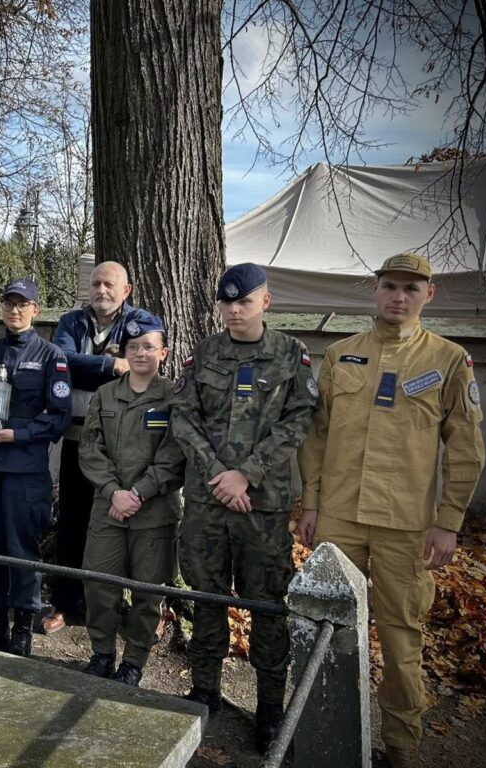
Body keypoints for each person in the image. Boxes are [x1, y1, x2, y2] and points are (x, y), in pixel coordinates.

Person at [297, 253, 485, 768]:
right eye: (389, 286)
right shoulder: (342, 355)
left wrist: (448, 522)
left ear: (429, 294)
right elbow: (316, 437)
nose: (398, 296)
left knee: (402, 638)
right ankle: (326, 732)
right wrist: (310, 503)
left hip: (406, 526)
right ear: (374, 290)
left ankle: (403, 747)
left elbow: (467, 449)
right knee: (327, 627)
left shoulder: (447, 360)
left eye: (410, 288)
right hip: (339, 516)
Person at [170, 262, 316, 753]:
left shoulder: (290, 354)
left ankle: (270, 707)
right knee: (206, 597)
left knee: (266, 605)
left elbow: (298, 421)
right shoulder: (206, 352)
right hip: (209, 502)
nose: (235, 310)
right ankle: (205, 690)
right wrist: (218, 474)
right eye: (228, 302)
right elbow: (183, 418)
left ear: (265, 303)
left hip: (261, 505)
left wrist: (245, 474)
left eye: (245, 302)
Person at [0, 278, 72, 657]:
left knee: (22, 548)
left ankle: (23, 626)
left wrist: (18, 433)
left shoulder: (50, 356)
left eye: (21, 304)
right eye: (8, 303)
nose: (14, 310)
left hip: (23, 469)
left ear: (35, 310)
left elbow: (58, 417)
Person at [45, 261, 154, 634]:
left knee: (119, 523)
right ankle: (65, 602)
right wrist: (111, 365)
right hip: (76, 442)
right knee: (72, 522)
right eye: (95, 284)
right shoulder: (70, 323)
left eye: (109, 284)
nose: (101, 291)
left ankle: (115, 605)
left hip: (121, 447)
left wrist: (94, 366)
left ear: (127, 290)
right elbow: (61, 361)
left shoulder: (140, 321)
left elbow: (142, 363)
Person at [78, 314, 184, 686]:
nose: (140, 353)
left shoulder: (173, 397)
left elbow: (174, 455)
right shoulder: (107, 393)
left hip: (154, 513)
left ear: (164, 353)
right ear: (124, 351)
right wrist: (114, 492)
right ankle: (102, 653)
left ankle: (134, 660)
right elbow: (90, 449)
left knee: (148, 591)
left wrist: (138, 493)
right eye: (133, 347)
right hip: (109, 509)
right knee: (99, 583)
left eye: (148, 347)